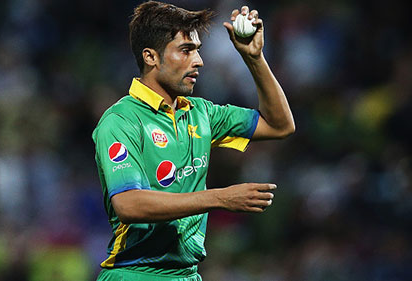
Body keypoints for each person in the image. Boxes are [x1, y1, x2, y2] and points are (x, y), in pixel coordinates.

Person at [92, 1, 295, 280]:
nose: (198, 61)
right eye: (186, 50)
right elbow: (128, 204)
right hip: (136, 273)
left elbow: (279, 125)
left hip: (188, 275)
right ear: (151, 57)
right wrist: (220, 197)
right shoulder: (121, 120)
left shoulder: (202, 113)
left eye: (197, 50)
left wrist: (254, 58)